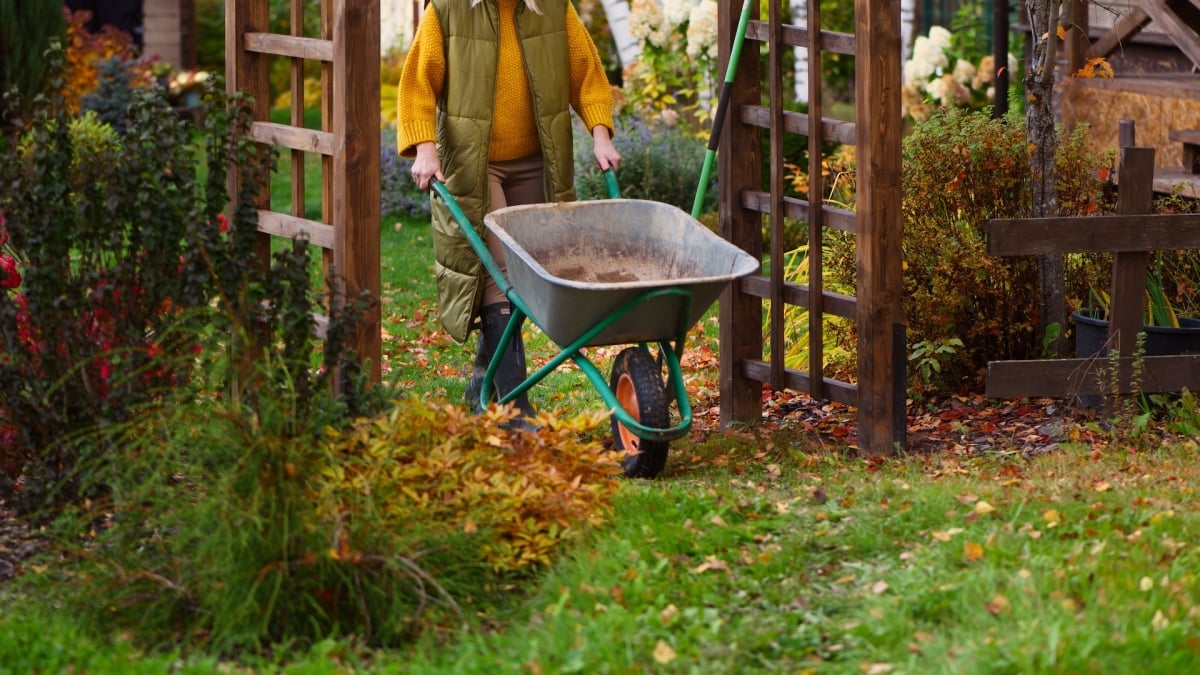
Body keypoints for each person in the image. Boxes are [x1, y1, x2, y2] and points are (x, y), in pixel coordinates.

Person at [397, 0, 621, 427]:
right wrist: (425, 149)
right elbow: (418, 83)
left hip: (539, 160)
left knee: (524, 275)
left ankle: (484, 383)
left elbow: (587, 74)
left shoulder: (553, 8)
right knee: (500, 273)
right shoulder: (448, 10)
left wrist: (600, 135)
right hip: (477, 165)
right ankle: (516, 408)